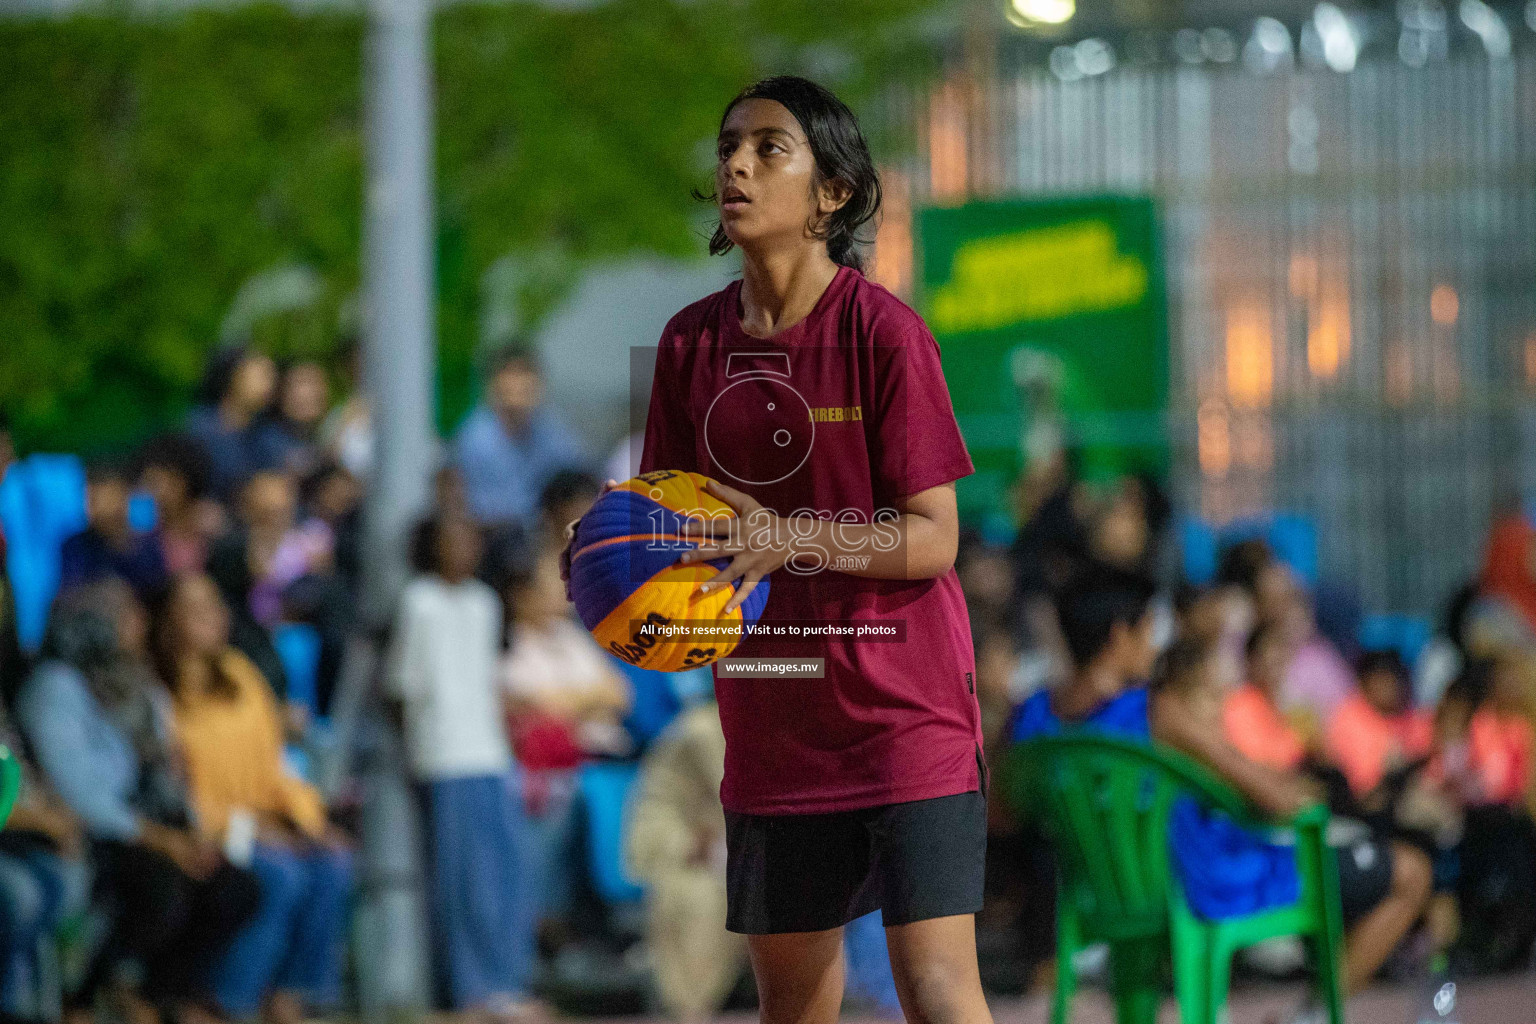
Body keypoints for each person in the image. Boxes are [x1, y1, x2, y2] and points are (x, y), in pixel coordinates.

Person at [606, 76, 991, 1024]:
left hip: (905, 715)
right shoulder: (690, 346)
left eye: (769, 147)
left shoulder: (884, 335)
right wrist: (617, 558)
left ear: (833, 192)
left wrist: (790, 539)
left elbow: (934, 537)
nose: (736, 163)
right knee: (793, 1007)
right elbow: (673, 528)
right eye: (730, 144)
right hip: (774, 717)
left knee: (938, 991)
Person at [19, 583, 260, 1024]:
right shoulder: (56, 689)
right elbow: (80, 794)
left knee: (235, 886)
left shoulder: (137, 686)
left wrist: (189, 833)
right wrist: (161, 840)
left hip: (154, 827)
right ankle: (88, 996)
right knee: (160, 887)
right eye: (127, 618)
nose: (140, 626)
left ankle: (163, 994)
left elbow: (167, 776)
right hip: (96, 833)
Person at [152, 574, 353, 1024]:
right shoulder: (162, 696)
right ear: (169, 622)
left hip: (268, 818)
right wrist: (248, 828)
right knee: (280, 875)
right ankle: (229, 1002)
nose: (214, 617)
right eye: (197, 609)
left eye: (215, 606)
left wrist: (308, 821)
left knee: (333, 866)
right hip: (209, 829)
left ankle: (289, 996)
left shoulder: (241, 674)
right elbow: (178, 793)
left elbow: (274, 764)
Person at [385, 515, 539, 1023]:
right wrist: (417, 753)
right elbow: (403, 687)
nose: (466, 547)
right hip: (445, 756)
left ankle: (506, 983)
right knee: (460, 881)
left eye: (471, 536)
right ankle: (468, 991)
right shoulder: (419, 602)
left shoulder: (484, 602)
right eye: (453, 536)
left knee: (505, 874)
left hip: (490, 753)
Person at [624, 700, 745, 1023]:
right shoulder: (702, 728)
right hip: (678, 848)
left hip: (731, 847)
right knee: (701, 897)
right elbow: (745, 795)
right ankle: (690, 1013)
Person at [453, 345, 589, 531]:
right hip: (490, 535)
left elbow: (578, 481)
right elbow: (472, 508)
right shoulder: (475, 438)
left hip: (543, 534)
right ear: (492, 384)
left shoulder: (553, 431)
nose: (518, 386)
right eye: (510, 375)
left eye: (525, 375)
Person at [1325, 650, 1433, 800]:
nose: (1389, 687)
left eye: (1393, 679)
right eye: (1381, 680)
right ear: (1364, 682)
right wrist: (1390, 768)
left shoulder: (1412, 714)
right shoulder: (1347, 717)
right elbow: (1362, 788)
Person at [59, 462, 169, 602]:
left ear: (124, 497)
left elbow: (156, 594)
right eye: (92, 499)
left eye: (107, 498)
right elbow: (72, 592)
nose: (98, 508)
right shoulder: (74, 546)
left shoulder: (148, 545)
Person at [186, 346, 283, 501]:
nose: (270, 384)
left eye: (272, 377)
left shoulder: (269, 437)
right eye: (261, 375)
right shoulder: (197, 430)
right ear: (232, 375)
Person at [1223, 620, 1309, 772]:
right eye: (1271, 654)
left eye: (1282, 654)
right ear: (1252, 661)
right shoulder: (1239, 705)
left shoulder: (1286, 709)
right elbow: (1251, 764)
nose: (1278, 661)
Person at [135, 433, 221, 578]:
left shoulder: (213, 527)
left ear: (182, 483)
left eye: (158, 482)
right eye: (148, 482)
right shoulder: (143, 532)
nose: (151, 490)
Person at [262, 361, 331, 481]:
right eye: (302, 383)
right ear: (281, 393)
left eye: (317, 383)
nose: (310, 392)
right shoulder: (267, 438)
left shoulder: (315, 434)